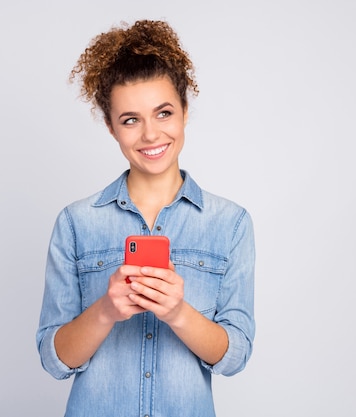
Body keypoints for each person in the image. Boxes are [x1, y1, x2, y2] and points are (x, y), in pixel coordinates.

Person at [36, 19, 256, 417]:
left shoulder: (231, 224)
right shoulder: (75, 223)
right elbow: (54, 359)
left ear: (185, 112)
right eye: (131, 119)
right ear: (111, 127)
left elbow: (235, 355)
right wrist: (106, 310)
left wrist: (177, 312)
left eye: (164, 112)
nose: (151, 135)